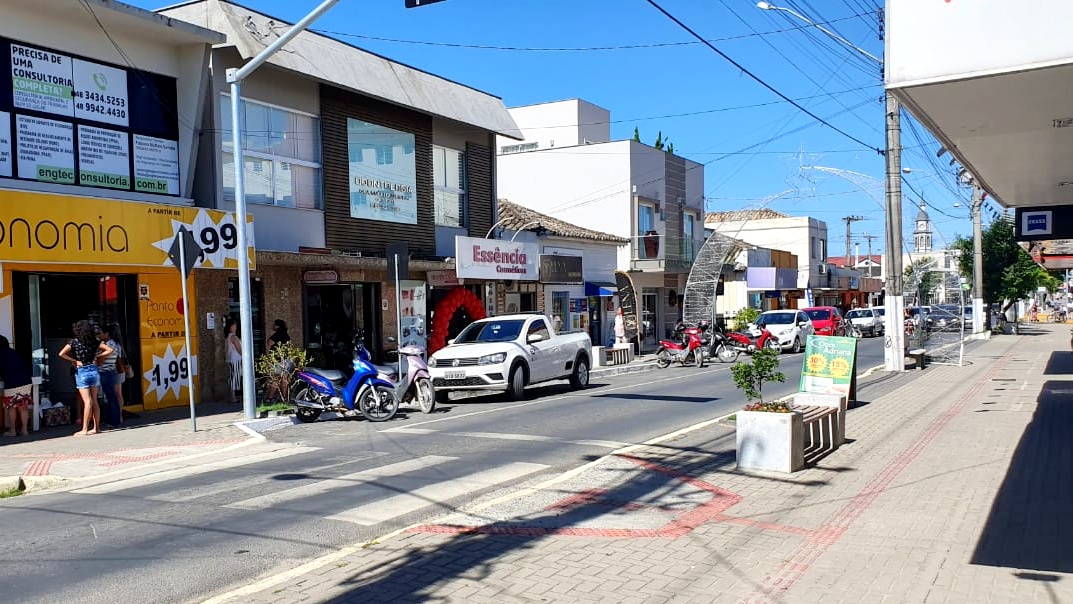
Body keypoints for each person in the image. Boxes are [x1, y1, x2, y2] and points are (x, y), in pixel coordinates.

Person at [59, 321, 113, 436]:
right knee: (94, 400)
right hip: (94, 370)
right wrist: (97, 356)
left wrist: (74, 360)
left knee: (87, 401)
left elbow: (61, 354)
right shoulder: (95, 341)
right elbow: (110, 350)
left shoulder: (73, 342)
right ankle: (96, 427)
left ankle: (84, 429)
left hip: (82, 370)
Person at [0, 335, 33, 437]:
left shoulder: (0, 354)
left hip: (12, 382)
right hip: (26, 380)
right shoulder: (13, 352)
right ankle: (24, 430)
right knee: (23, 407)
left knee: (12, 407)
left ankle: (13, 431)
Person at [96, 324, 123, 427]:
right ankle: (110, 419)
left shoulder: (109, 345)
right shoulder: (110, 343)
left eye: (100, 333)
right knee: (110, 397)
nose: (98, 335)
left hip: (107, 372)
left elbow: (100, 361)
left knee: (111, 397)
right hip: (110, 372)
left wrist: (97, 356)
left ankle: (114, 421)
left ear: (106, 333)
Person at [225, 318, 242, 404]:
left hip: (232, 359)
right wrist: (245, 356)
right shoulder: (233, 337)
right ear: (231, 326)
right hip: (236, 359)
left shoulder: (228, 336)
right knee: (234, 377)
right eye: (235, 325)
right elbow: (239, 348)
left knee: (233, 376)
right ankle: (233, 397)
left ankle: (232, 395)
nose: (236, 326)